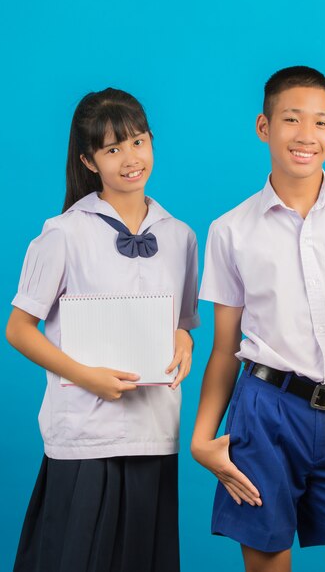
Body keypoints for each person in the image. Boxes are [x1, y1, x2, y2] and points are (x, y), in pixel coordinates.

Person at [191, 66, 325, 572]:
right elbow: (225, 348)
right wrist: (203, 438)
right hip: (264, 416)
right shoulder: (230, 230)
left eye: (321, 123)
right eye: (292, 120)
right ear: (264, 127)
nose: (306, 136)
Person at [6, 88, 199, 572]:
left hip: (154, 429)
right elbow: (19, 329)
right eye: (112, 150)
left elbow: (181, 324)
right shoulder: (64, 233)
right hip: (86, 428)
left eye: (137, 142)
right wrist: (86, 374)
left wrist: (184, 339)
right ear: (89, 161)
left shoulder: (180, 236)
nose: (130, 159)